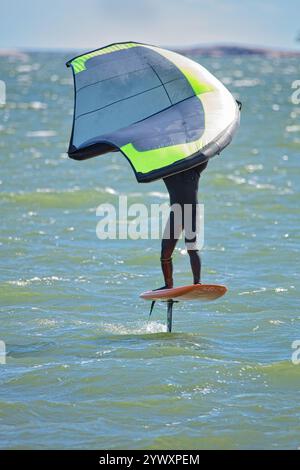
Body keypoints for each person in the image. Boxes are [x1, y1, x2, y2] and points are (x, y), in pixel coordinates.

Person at [159, 161, 208, 289]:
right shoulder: (167, 169)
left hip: (191, 211)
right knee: (165, 251)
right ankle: (168, 285)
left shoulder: (194, 168)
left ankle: (197, 283)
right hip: (176, 213)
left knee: (191, 247)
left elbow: (206, 153)